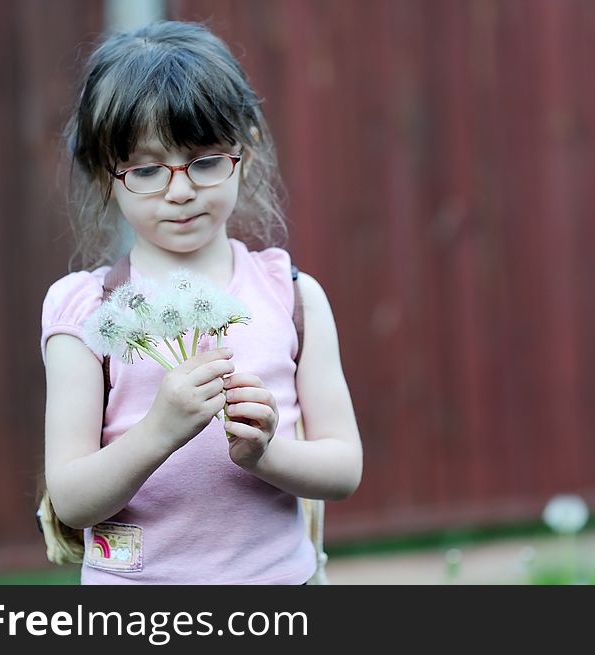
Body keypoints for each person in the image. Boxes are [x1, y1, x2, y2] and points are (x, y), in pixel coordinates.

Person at [40, 20, 362, 584]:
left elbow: (343, 467)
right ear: (103, 174)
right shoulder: (85, 311)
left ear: (247, 149)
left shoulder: (291, 295)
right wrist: (160, 429)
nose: (181, 190)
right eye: (145, 169)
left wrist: (266, 454)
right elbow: (72, 499)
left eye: (207, 160)